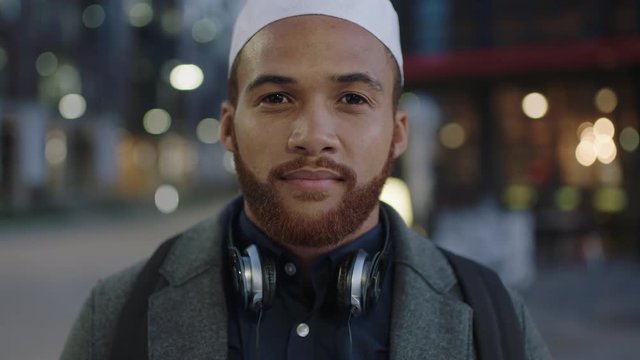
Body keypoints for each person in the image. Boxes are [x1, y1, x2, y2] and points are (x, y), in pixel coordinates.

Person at [61, 1, 552, 359]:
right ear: (229, 128)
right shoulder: (117, 316)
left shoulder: (495, 319)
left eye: (353, 99)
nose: (313, 136)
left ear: (397, 133)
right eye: (276, 98)